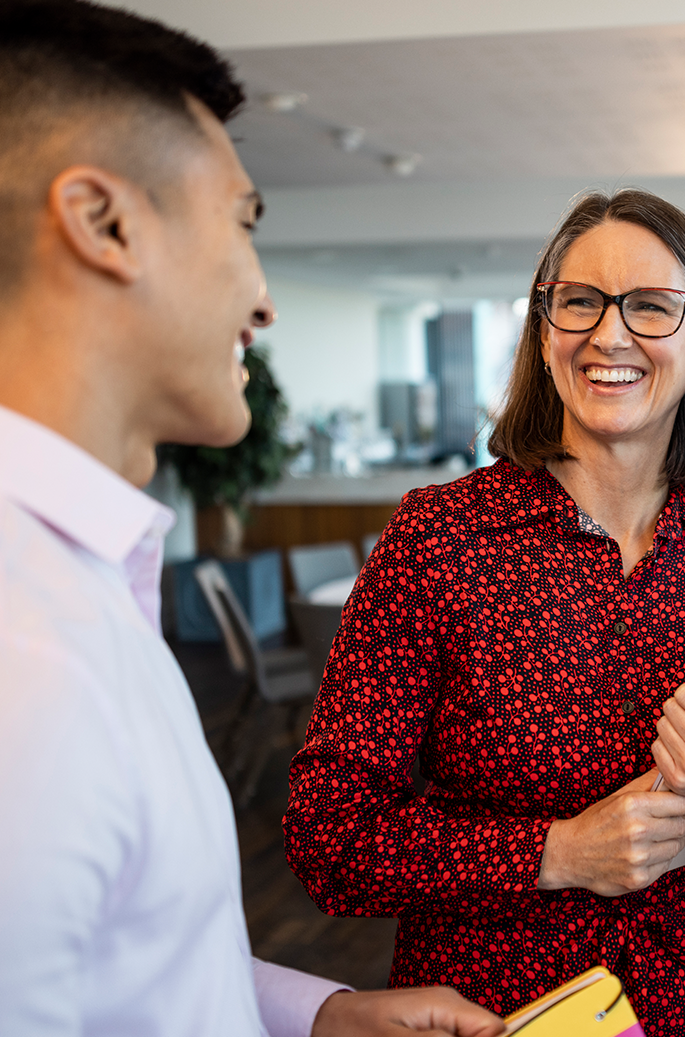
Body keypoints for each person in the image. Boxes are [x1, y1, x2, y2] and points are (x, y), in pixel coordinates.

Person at [0, 2, 504, 1035]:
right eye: (242, 221)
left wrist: (321, 1011)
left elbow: (141, 963)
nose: (265, 298)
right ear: (104, 223)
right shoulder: (27, 653)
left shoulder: (92, 582)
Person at [284, 189, 685, 1037]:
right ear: (545, 337)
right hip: (489, 1013)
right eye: (579, 301)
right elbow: (330, 837)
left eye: (652, 307)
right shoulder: (439, 538)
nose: (609, 335)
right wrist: (556, 853)